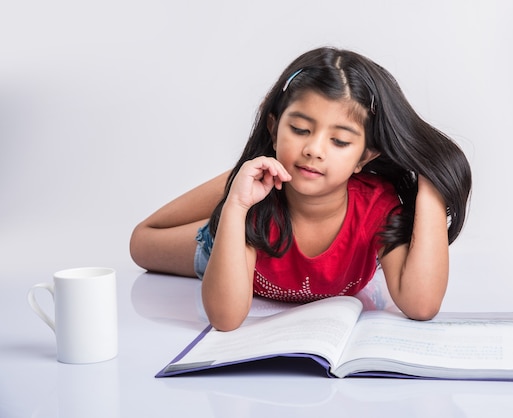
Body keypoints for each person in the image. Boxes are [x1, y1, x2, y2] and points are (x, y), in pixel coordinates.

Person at [130, 47, 472, 331]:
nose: (315, 149)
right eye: (300, 129)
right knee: (144, 242)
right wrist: (235, 207)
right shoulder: (254, 208)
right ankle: (234, 188)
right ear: (275, 127)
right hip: (226, 249)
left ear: (364, 157)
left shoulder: (376, 208)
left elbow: (422, 304)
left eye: (339, 141)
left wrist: (432, 177)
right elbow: (225, 319)